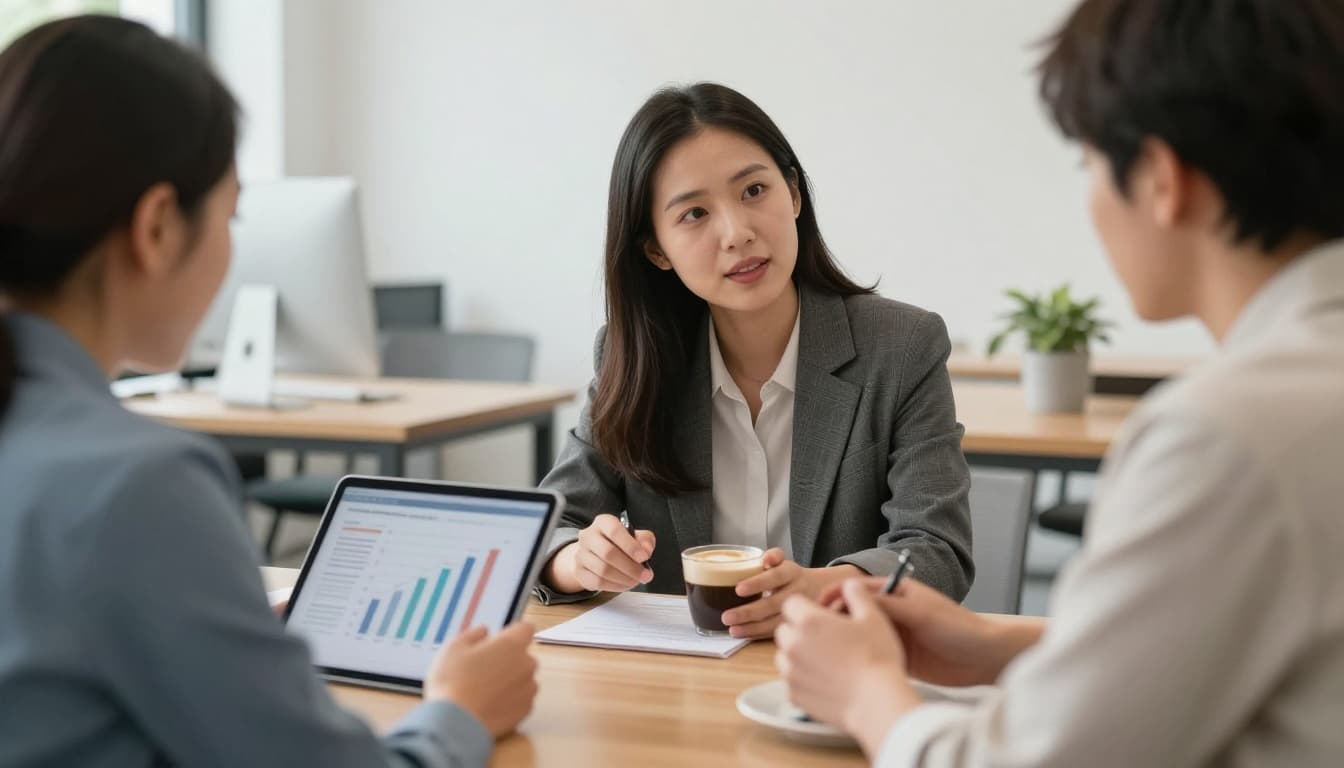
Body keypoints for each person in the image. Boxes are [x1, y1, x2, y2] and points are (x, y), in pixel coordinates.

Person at [774, 0, 1344, 764]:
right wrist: (995, 641)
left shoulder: (1228, 435)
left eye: (1088, 163)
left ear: (1160, 177)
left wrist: (867, 694)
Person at [0, 16, 536, 767]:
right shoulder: (136, 484)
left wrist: (221, 635)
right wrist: (460, 711)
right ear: (156, 227)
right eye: (232, 215)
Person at [535, 82, 975, 639]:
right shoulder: (633, 357)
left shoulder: (903, 346)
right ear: (656, 250)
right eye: (694, 213)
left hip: (841, 669)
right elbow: (549, 525)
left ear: (793, 194)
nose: (737, 233)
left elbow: (937, 552)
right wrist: (579, 559)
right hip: (677, 686)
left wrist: (821, 587)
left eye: (754, 191)